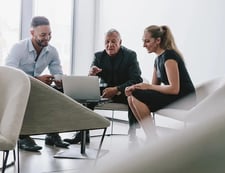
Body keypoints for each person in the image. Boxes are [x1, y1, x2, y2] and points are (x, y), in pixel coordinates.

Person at [63, 28, 143, 144]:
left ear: (120, 42)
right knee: (85, 96)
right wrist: (91, 73)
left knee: (133, 94)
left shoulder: (130, 55)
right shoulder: (99, 56)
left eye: (113, 41)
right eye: (107, 41)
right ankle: (83, 134)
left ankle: (132, 132)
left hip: (123, 91)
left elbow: (136, 79)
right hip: (104, 91)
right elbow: (91, 79)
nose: (110, 45)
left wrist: (116, 89)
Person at [5, 16, 69, 151]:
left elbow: (58, 71)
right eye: (43, 35)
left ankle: (52, 133)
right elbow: (10, 74)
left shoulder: (52, 51)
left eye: (49, 34)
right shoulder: (18, 48)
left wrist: (59, 81)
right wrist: (37, 80)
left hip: (35, 86)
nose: (47, 38)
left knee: (59, 94)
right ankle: (23, 137)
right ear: (32, 33)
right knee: (23, 95)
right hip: (15, 87)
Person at [125, 25, 196, 139]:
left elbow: (174, 89)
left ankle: (152, 138)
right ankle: (151, 136)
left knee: (136, 96)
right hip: (174, 95)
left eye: (147, 41)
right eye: (144, 41)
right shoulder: (157, 59)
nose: (144, 45)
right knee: (131, 96)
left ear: (158, 40)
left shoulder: (169, 56)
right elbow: (154, 87)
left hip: (184, 97)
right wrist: (136, 87)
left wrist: (146, 87)